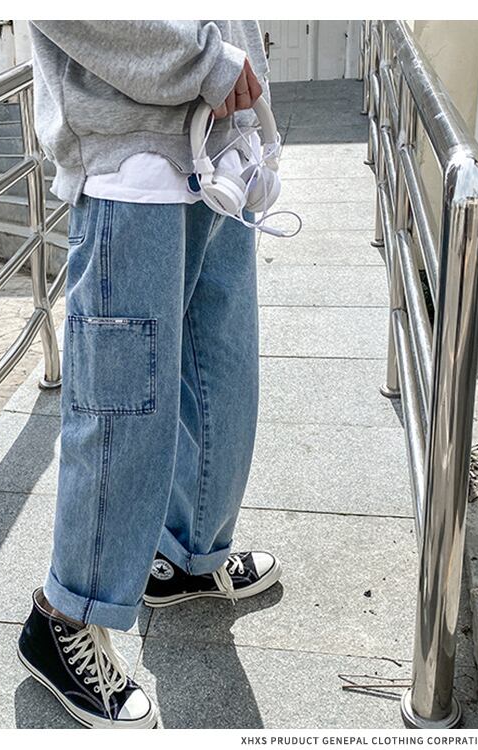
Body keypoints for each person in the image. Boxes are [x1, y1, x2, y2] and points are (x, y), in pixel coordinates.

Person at [18, 20, 282, 729]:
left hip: (220, 156)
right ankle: (63, 616)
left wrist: (251, 114)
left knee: (223, 379)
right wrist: (206, 62)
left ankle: (188, 555)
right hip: (128, 163)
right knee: (119, 413)